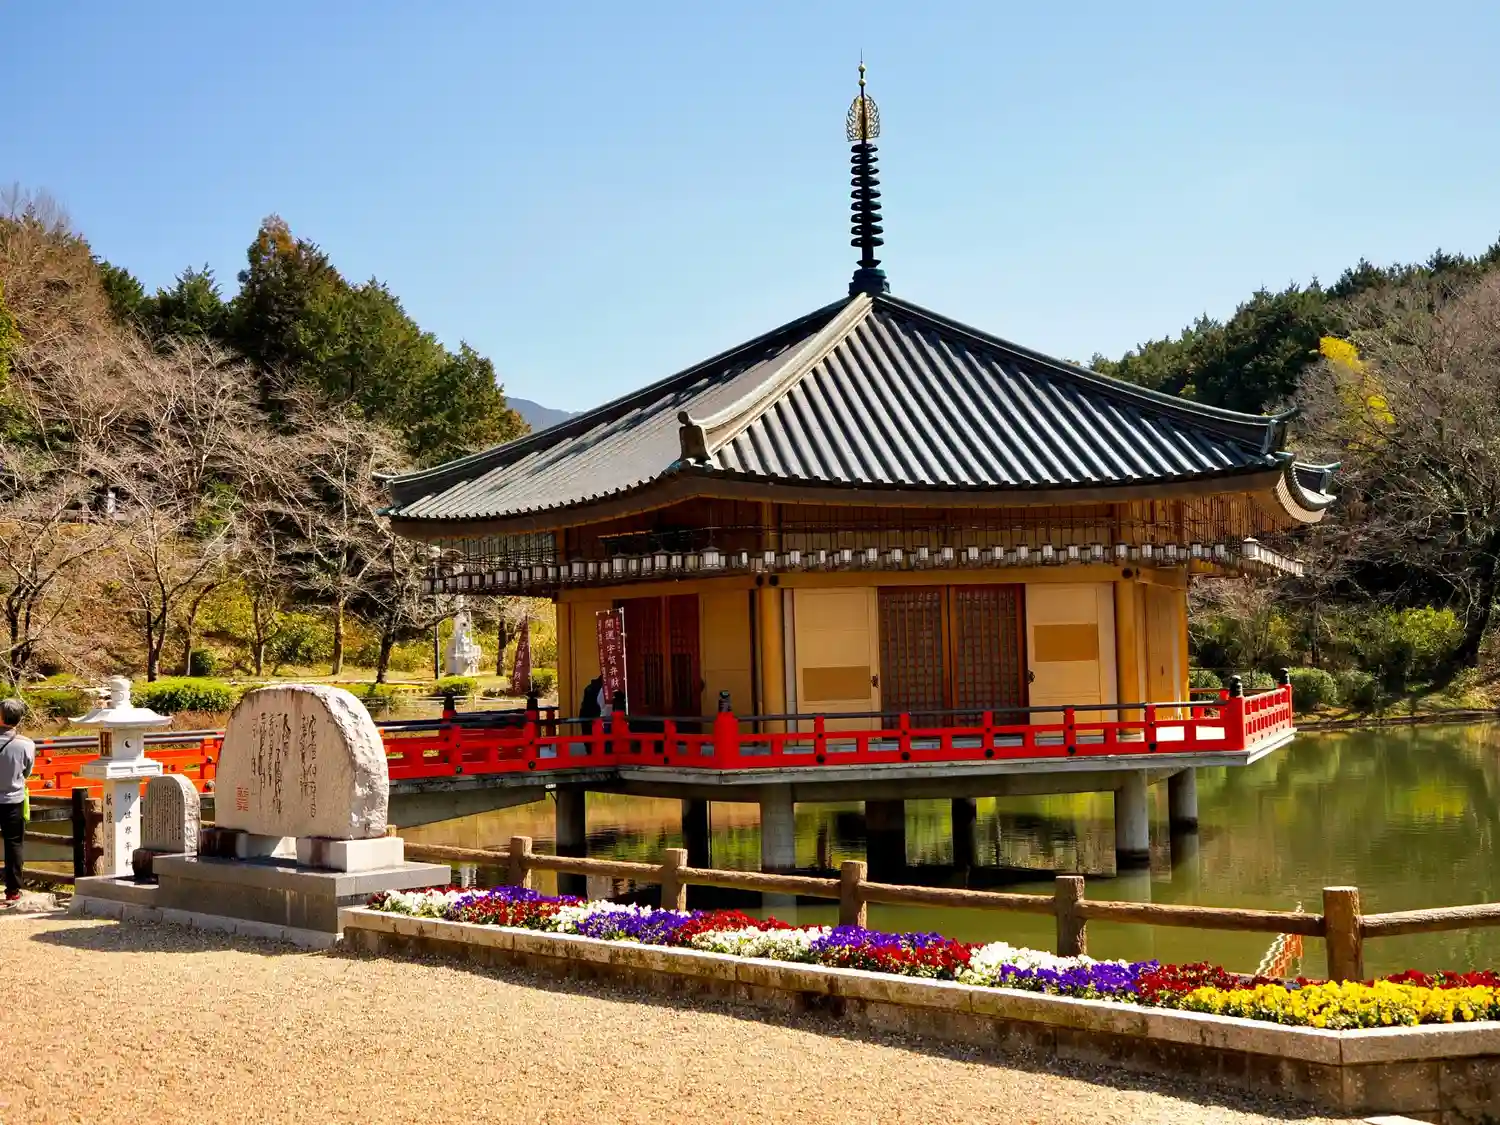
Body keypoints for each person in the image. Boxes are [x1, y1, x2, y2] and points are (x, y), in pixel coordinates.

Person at [0, 698, 36, 905]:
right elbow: (27, 772)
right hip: (13, 799)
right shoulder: (26, 744)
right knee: (14, 845)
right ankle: (13, 891)